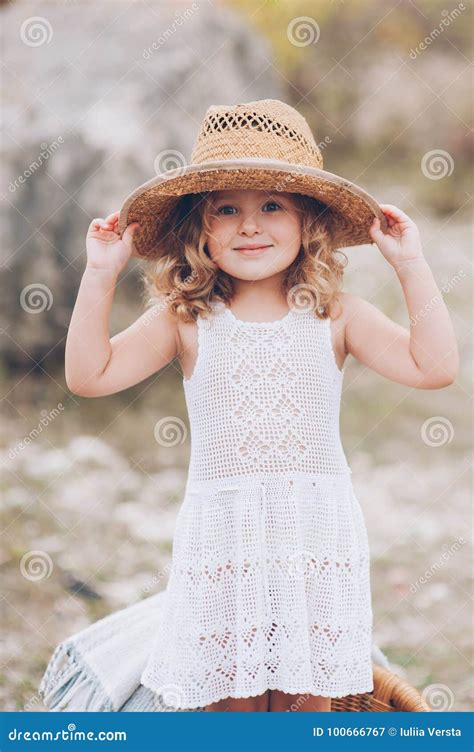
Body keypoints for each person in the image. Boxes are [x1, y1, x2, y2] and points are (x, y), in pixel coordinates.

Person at [64, 99, 459, 712]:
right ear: (201, 228)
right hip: (225, 542)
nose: (250, 225)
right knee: (232, 709)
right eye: (228, 209)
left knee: (305, 708)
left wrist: (410, 265)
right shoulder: (188, 319)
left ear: (309, 222)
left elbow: (435, 368)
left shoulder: (336, 315)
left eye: (272, 205)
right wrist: (99, 274)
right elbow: (89, 376)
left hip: (314, 539)